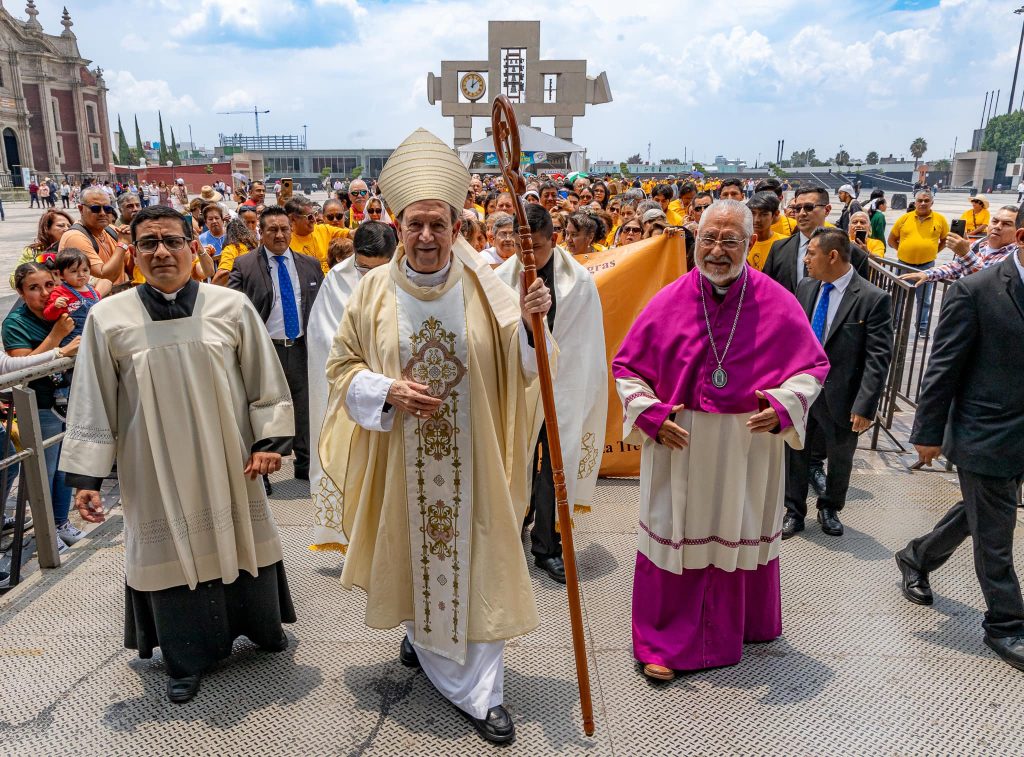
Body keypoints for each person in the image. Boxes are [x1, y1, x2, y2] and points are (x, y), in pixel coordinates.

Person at [318, 128, 553, 744]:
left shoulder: (486, 287)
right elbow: (341, 369)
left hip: (475, 461)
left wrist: (532, 324)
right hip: (401, 456)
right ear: (398, 225)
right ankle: (423, 644)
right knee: (413, 557)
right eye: (415, 224)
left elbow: (530, 368)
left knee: (478, 563)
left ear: (457, 227)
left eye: (438, 225)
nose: (426, 236)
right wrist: (386, 391)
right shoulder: (370, 291)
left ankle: (481, 691)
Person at [59, 204, 296, 704]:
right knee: (169, 556)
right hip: (153, 467)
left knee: (242, 539)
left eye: (171, 240)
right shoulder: (108, 318)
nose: (161, 252)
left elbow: (264, 381)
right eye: (149, 243)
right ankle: (184, 658)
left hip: (228, 458)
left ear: (193, 247)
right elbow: (92, 398)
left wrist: (270, 443)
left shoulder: (229, 307)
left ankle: (261, 628)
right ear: (134, 253)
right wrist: (86, 479)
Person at [612, 200, 829, 681]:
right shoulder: (668, 299)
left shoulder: (777, 300)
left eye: (730, 240)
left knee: (740, 526)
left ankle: (744, 625)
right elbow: (627, 368)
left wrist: (781, 407)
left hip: (746, 449)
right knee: (675, 533)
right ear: (696, 240)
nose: (716, 250)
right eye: (708, 238)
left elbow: (813, 368)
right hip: (681, 443)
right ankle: (663, 641)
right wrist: (650, 415)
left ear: (749, 245)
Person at [894, 210, 1024, 673]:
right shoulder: (977, 291)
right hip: (984, 431)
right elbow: (943, 368)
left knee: (982, 511)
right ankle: (1006, 623)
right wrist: (928, 434)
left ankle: (916, 556)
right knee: (996, 533)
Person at [495, 203, 607, 584]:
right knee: (516, 460)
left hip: (564, 388)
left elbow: (584, 344)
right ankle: (515, 526)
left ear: (554, 240)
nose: (528, 259)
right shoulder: (500, 281)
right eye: (520, 249)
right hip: (519, 386)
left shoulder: (578, 283)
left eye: (537, 249)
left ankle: (549, 546)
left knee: (554, 470)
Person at [783, 228, 892, 539]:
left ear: (832, 256)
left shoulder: (872, 298)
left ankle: (830, 508)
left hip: (843, 395)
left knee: (840, 456)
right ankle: (794, 510)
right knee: (796, 451)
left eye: (811, 253)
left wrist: (866, 405)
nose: (805, 259)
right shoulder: (806, 287)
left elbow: (877, 357)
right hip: (803, 391)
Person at [309, 222, 398, 551]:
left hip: (400, 397)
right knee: (357, 470)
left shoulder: (409, 273)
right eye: (363, 267)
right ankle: (358, 541)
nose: (369, 277)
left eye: (379, 269)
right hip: (357, 395)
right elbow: (327, 338)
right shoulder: (339, 280)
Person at [229, 206, 323, 483]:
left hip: (301, 347)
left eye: (284, 229)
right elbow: (234, 307)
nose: (279, 235)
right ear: (261, 232)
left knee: (304, 407)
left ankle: (306, 466)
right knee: (264, 407)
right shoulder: (245, 265)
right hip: (265, 350)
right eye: (272, 229)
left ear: (291, 230)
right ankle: (264, 473)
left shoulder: (310, 265)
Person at [3, 263, 81, 550]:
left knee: (65, 468)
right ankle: (45, 534)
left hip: (67, 401)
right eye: (34, 288)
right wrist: (57, 338)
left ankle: (62, 523)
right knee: (43, 473)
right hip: (39, 406)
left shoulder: (60, 310)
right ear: (21, 293)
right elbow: (22, 368)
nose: (45, 293)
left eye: (49, 285)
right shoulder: (15, 323)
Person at [763, 186, 869, 294]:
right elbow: (766, 291)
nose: (802, 213)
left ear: (827, 210)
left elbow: (861, 297)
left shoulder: (854, 254)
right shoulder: (778, 249)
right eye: (798, 208)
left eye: (809, 207)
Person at [899, 204, 1017, 286]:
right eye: (995, 221)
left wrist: (965, 253)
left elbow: (990, 282)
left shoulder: (1016, 256)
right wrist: (927, 274)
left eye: (1006, 224)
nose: (998, 226)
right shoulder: (979, 244)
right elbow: (957, 267)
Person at [887, 189, 948, 337]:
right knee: (899, 297)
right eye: (920, 200)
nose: (922, 203)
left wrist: (931, 251)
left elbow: (944, 241)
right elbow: (891, 240)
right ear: (915, 202)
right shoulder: (905, 218)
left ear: (932, 203)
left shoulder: (940, 219)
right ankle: (894, 324)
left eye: (926, 201)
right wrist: (902, 250)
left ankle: (922, 327)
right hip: (903, 265)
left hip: (926, 266)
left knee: (924, 299)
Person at [59, 187, 130, 287]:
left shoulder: (111, 230)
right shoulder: (75, 237)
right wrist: (123, 244)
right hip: (95, 300)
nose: (102, 213)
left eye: (107, 209)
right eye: (95, 209)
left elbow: (130, 267)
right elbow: (105, 277)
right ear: (81, 209)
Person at [42, 249, 101, 342]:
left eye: (85, 270)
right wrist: (55, 306)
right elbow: (48, 316)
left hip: (95, 334)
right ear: (60, 274)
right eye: (74, 271)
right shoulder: (59, 292)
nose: (81, 274)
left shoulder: (94, 292)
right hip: (73, 339)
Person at [10, 209, 74, 287]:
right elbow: (14, 280)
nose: (67, 229)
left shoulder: (75, 250)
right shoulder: (33, 252)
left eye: (69, 226)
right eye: (61, 225)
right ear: (47, 229)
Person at [286, 196, 349, 274]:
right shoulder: (286, 242)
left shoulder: (323, 230)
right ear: (292, 219)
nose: (314, 220)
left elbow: (352, 234)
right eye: (309, 217)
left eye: (314, 214)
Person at [746, 191, 785, 271]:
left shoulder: (784, 243)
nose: (757, 220)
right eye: (753, 213)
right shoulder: (741, 243)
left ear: (776, 214)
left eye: (764, 214)